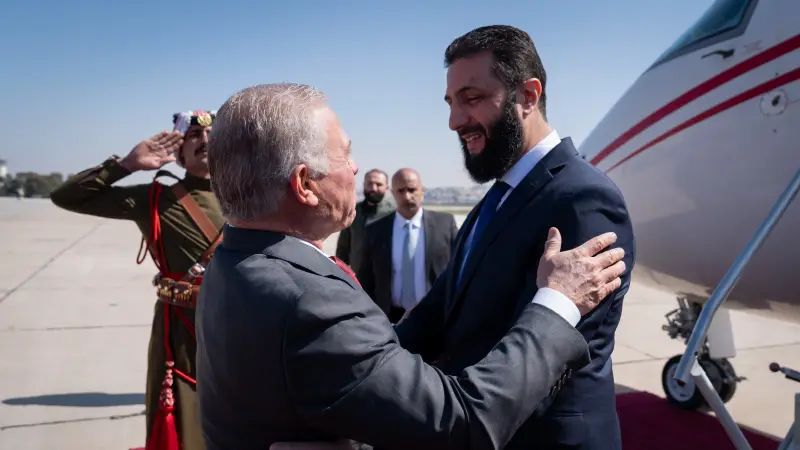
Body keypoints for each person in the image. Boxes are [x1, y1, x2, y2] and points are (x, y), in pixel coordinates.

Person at [197, 83, 627, 450]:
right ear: (305, 185)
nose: (355, 168)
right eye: (345, 155)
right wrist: (557, 303)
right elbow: (464, 422)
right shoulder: (309, 301)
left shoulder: (234, 262)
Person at [395, 25, 636, 450]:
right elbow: (439, 313)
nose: (454, 121)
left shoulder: (583, 198)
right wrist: (362, 362)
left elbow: (550, 353)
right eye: (451, 103)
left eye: (472, 98)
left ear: (528, 95)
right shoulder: (495, 202)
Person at [51, 110, 223, 450]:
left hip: (239, 331)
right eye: (193, 136)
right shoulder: (154, 199)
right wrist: (126, 166)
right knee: (187, 432)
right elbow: (66, 196)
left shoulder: (252, 197)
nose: (204, 140)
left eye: (212, 135)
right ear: (179, 153)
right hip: (181, 336)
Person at [357, 168, 457, 322]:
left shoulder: (444, 224)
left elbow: (458, 269)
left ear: (422, 190)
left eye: (412, 190)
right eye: (401, 190)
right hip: (390, 319)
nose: (407, 196)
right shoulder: (375, 231)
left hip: (436, 316)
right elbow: (366, 279)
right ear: (392, 192)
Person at [335, 168, 394, 273]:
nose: (373, 188)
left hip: (387, 278)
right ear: (364, 185)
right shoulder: (354, 212)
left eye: (379, 184)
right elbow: (343, 247)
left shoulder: (394, 213)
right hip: (359, 278)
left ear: (387, 187)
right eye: (369, 184)